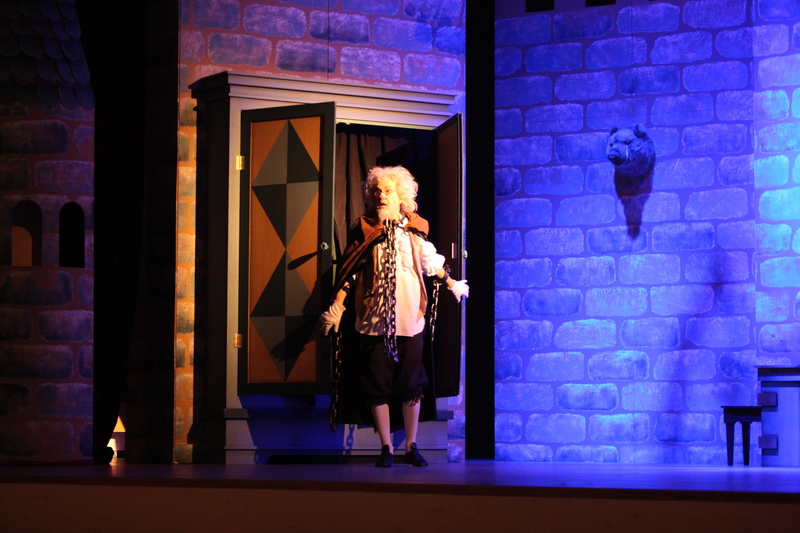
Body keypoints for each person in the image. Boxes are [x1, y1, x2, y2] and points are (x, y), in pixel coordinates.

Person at [320, 165, 469, 467]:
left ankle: (411, 445)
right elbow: (350, 272)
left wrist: (452, 283)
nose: (380, 196)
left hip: (410, 320)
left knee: (412, 384)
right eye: (376, 191)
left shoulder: (414, 229)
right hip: (373, 323)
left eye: (387, 190)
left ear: (400, 195)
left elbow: (430, 263)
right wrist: (337, 306)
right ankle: (386, 446)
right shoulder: (365, 229)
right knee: (377, 384)